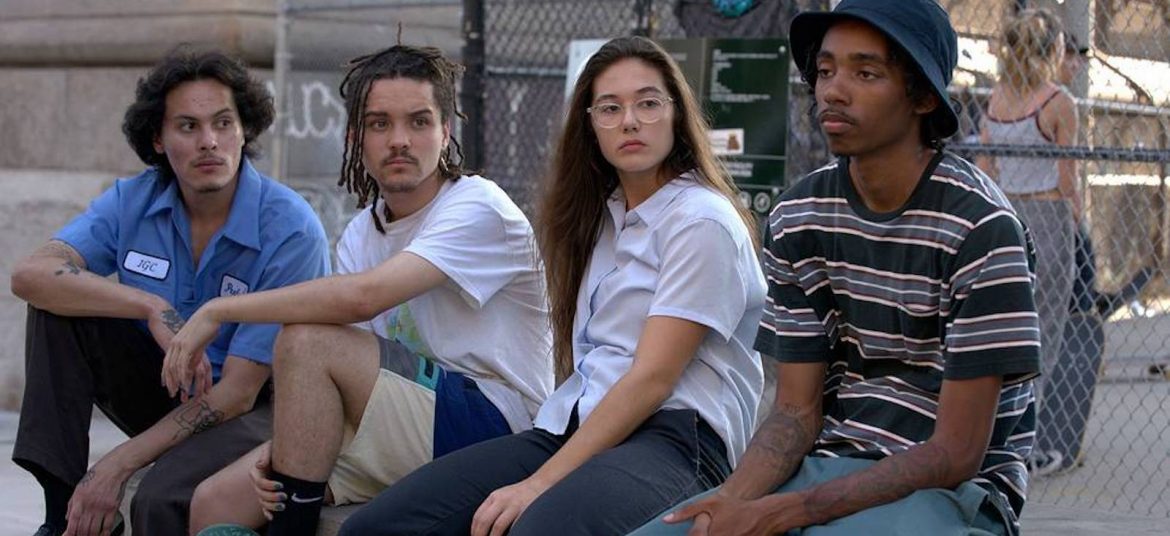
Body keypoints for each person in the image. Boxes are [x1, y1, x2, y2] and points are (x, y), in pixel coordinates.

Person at [331, 35, 767, 536]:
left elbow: (653, 379)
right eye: (610, 108)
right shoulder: (603, 221)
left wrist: (538, 484)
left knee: (534, 527)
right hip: (576, 425)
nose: (629, 121)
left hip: (677, 440)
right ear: (590, 126)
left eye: (648, 103)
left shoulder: (701, 220)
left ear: (676, 115)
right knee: (376, 527)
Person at [633, 1, 1041, 535]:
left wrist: (785, 513)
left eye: (865, 73)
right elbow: (795, 413)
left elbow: (957, 452)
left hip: (951, 493)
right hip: (825, 465)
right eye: (825, 71)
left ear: (922, 97)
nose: (833, 91)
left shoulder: (982, 227)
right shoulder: (799, 216)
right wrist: (730, 504)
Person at [168, 44, 554, 536]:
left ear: (445, 132)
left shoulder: (478, 207)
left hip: (498, 426)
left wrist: (219, 310)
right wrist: (289, 443)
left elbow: (361, 299)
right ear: (356, 138)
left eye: (418, 122)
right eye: (379, 124)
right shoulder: (361, 233)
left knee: (307, 340)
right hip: (404, 422)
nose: (399, 140)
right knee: (215, 502)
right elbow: (353, 369)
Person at [8, 47, 331, 536]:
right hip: (170, 384)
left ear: (245, 130)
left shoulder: (290, 228)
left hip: (256, 409)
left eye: (223, 123)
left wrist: (117, 463)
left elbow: (239, 394)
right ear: (158, 139)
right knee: (57, 309)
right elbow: (30, 274)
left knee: (159, 498)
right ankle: (61, 518)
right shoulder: (134, 199)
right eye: (188, 127)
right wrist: (149, 305)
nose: (209, 142)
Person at [977, 8, 1080, 476]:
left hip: (1006, 214)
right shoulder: (1058, 101)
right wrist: (1079, 221)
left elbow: (986, 165)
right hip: (1048, 214)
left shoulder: (997, 97)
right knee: (1044, 332)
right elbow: (1067, 177)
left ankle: (992, 438)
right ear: (1051, 50)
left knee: (1003, 330)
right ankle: (1024, 447)